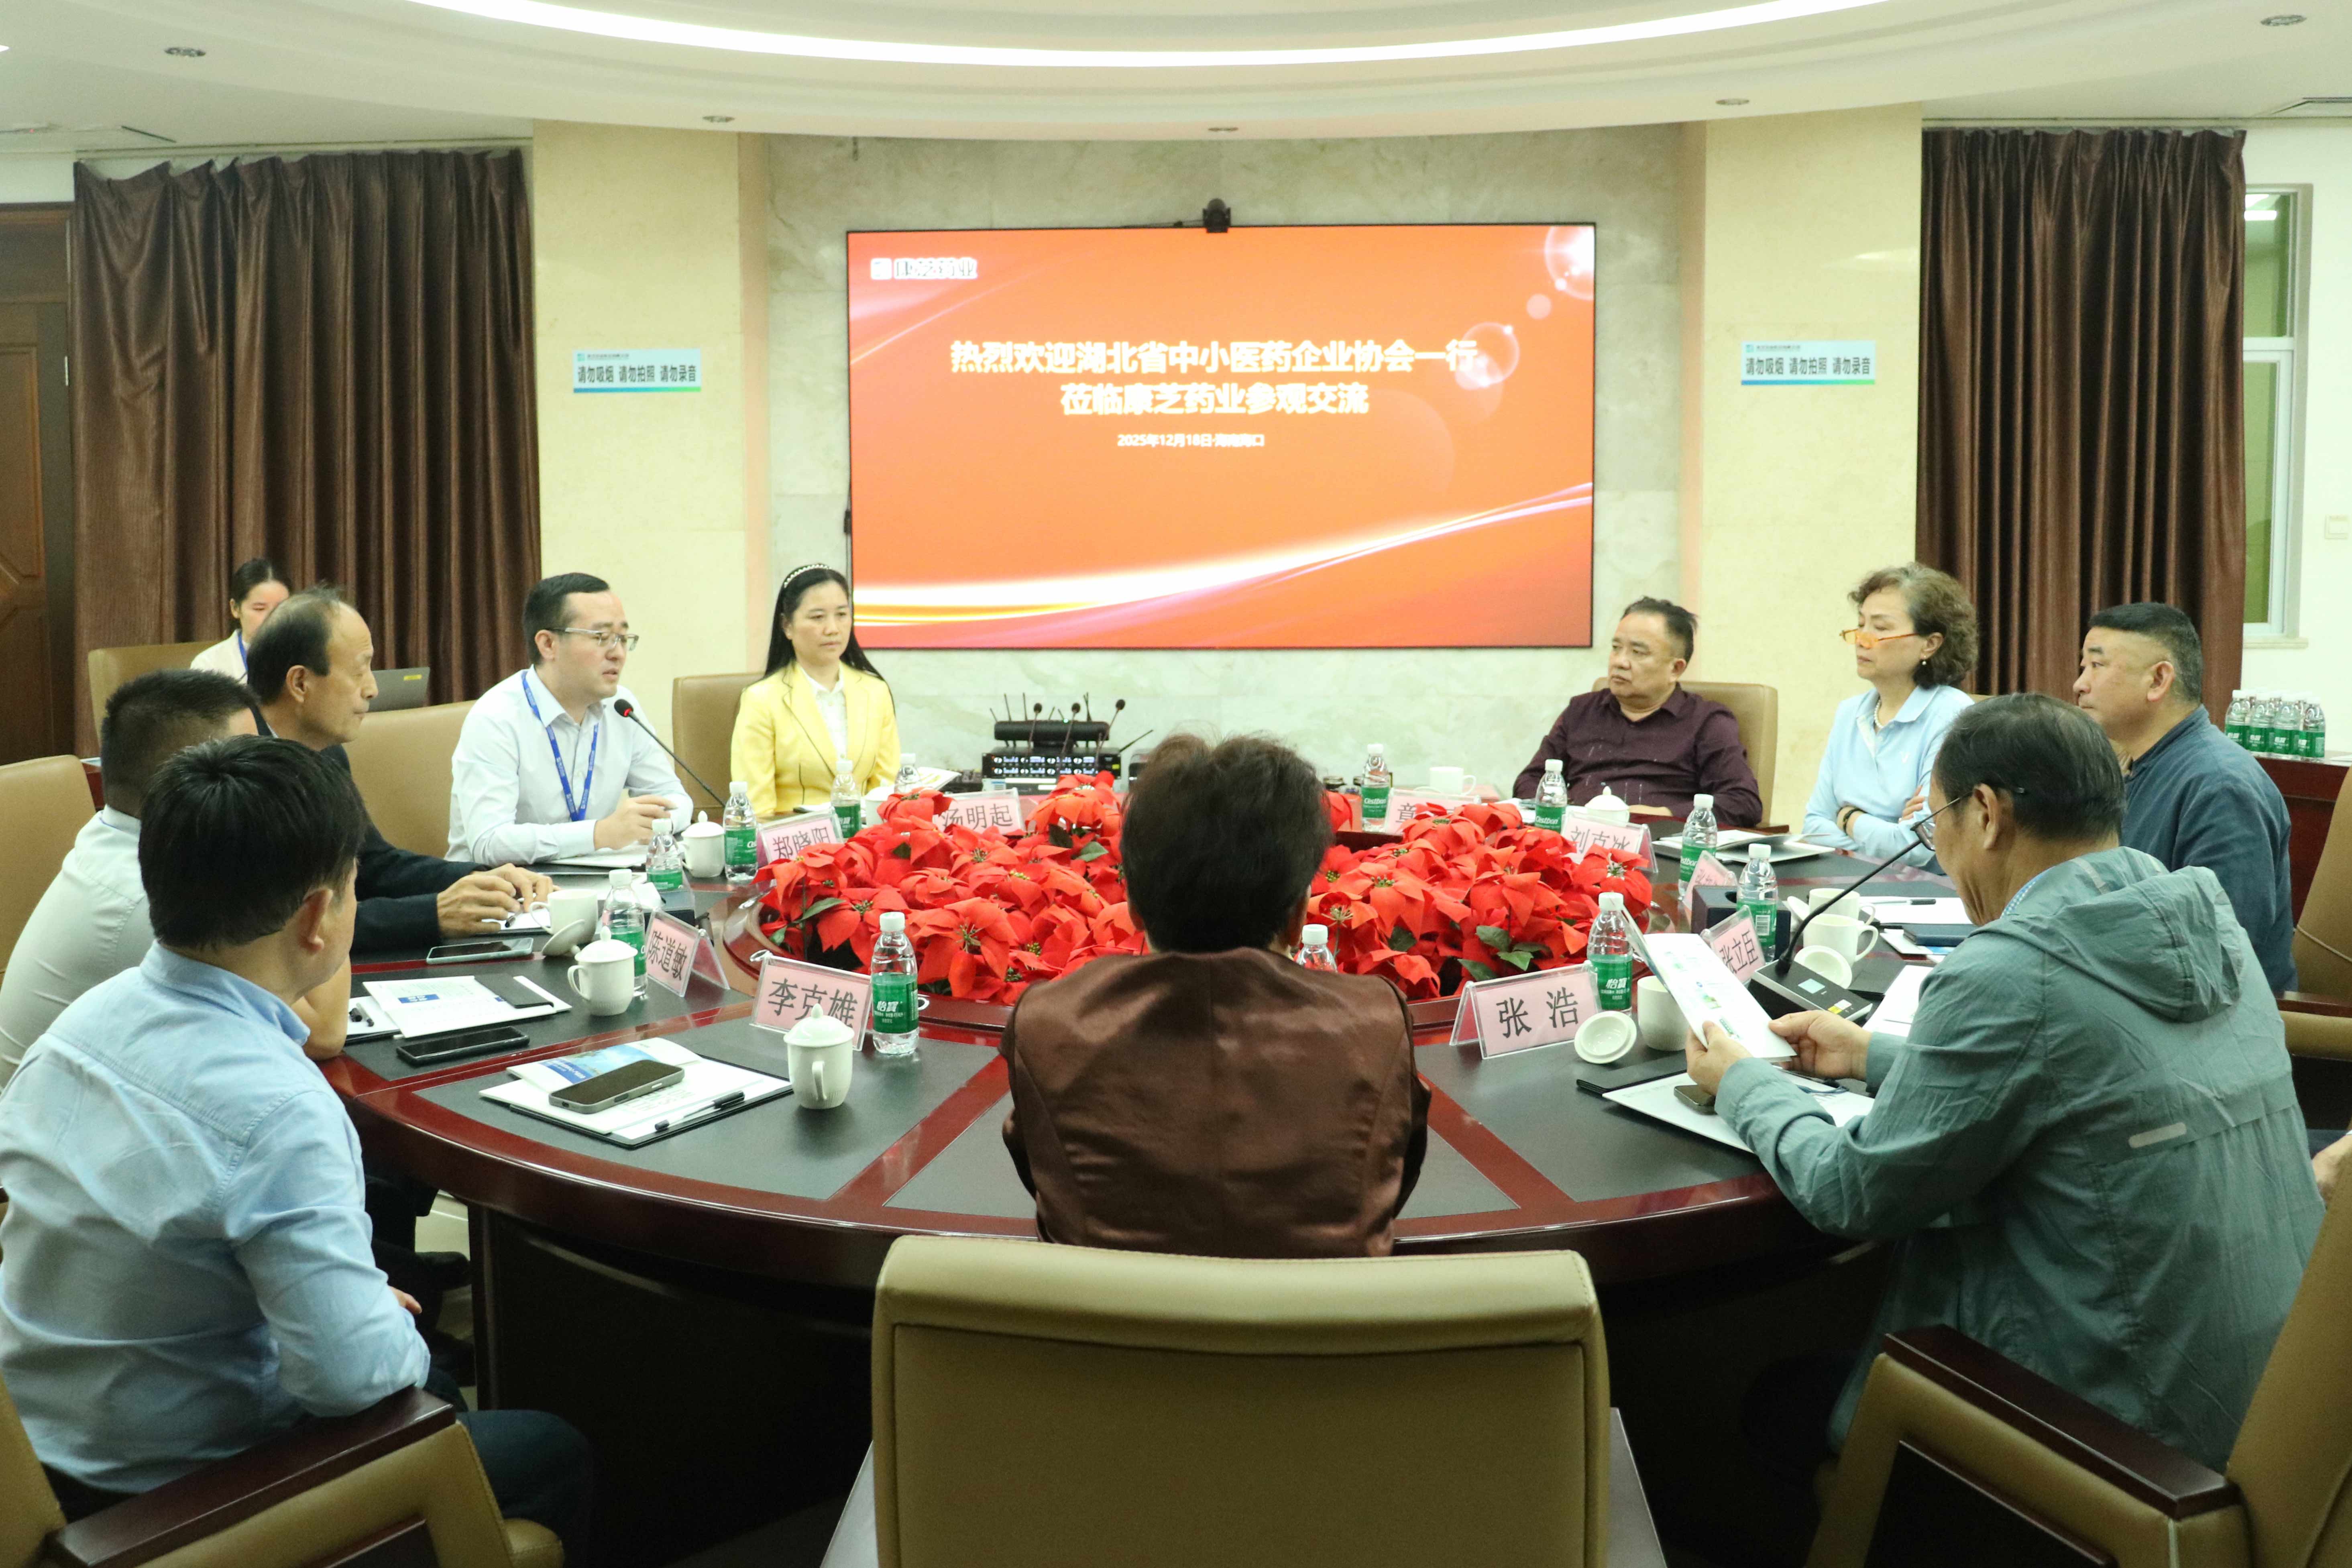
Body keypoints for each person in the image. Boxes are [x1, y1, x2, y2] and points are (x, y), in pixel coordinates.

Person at [1684, 694, 2316, 1499]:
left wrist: (1741, 1082)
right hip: (2263, 1412)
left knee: (1775, 1403)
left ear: (1984, 813)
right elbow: (2090, 1074)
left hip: (2122, 1442)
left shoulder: (2010, 970)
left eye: (1934, 825)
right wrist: (1870, 1055)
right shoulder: (2204, 919)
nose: (1941, 854)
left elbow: (1852, 1194)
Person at [0, 737, 592, 1552]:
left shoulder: (80, 1027)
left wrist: (356, 1317)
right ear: (318, 916)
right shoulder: (278, 1107)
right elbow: (351, 1382)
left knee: (427, 1371)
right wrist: (370, 1322)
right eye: (352, 889)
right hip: (173, 1499)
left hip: (48, 1446)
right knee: (547, 1446)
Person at [1000, 733, 1429, 1258]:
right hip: (1325, 1311)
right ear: (1298, 915)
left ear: (1133, 906)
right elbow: (1392, 1184)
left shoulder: (1048, 1023)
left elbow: (1043, 1180)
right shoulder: (1376, 1023)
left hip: (1106, 1311)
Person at [0, 669, 352, 1089]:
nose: (267, 772)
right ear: (195, 777)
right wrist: (328, 857)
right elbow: (321, 1033)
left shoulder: (120, 836)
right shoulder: (152, 899)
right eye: (247, 759)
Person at [247, 586, 551, 952]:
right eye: (359, 671)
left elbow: (373, 865)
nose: (373, 689)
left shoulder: (326, 752)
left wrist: (483, 878)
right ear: (300, 683)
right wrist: (431, 915)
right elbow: (282, 927)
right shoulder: (238, 774)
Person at [2073, 602, 2296, 994]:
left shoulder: (2221, 786)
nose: (2080, 684)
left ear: (2158, 680)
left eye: (2097, 666)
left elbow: (2220, 951)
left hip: (2209, 1016)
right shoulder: (2137, 766)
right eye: (2083, 667)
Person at [450, 572, 690, 863]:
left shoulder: (621, 708)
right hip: (502, 885)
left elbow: (673, 797)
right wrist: (599, 834)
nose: (618, 654)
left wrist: (657, 822)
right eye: (601, 638)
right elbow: (489, 843)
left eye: (622, 638)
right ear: (548, 645)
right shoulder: (496, 718)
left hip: (594, 880)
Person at [1509, 597, 1762, 822]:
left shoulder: (1707, 721)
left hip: (1657, 845)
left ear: (1676, 669)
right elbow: (1529, 781)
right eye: (1616, 648)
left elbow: (1742, 802)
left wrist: (1664, 815)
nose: (1620, 662)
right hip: (1577, 838)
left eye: (1638, 652)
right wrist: (1565, 812)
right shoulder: (1582, 711)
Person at [1804, 562, 1978, 866]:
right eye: (1861, 624)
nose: (1862, 639)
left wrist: (1848, 818)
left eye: (1881, 628)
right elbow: (1814, 827)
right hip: (1847, 877)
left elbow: (1921, 847)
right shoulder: (1849, 713)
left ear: (1930, 644)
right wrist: (1891, 831)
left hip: (1924, 889)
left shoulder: (1952, 717)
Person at [730, 563, 901, 817]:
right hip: (793, 837)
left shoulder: (875, 691)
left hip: (864, 836)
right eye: (818, 617)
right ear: (787, 626)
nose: (833, 629)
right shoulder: (761, 699)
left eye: (841, 615)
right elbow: (757, 807)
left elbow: (886, 791)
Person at [188, 556, 290, 679]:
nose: (273, 617)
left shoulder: (306, 657)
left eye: (282, 608)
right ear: (235, 609)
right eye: (260, 609)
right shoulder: (209, 664)